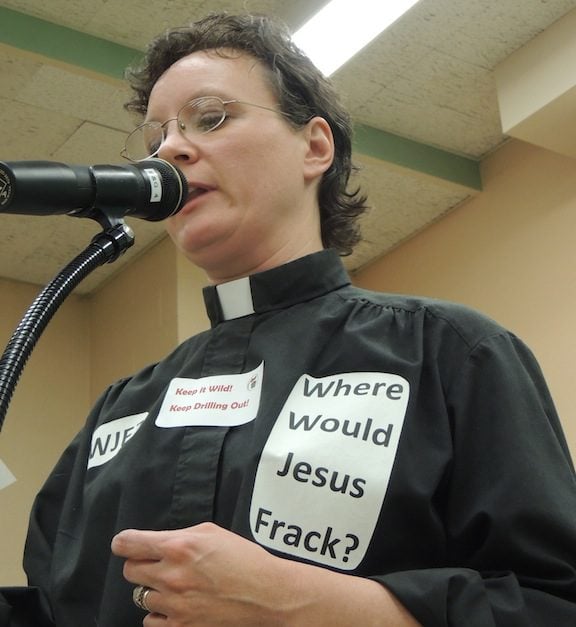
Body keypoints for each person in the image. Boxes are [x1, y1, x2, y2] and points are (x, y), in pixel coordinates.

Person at [1, 11, 576, 627]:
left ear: (315, 146)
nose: (168, 149)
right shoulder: (119, 409)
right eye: (154, 141)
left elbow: (553, 603)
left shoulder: (449, 352)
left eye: (211, 117)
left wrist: (322, 607)